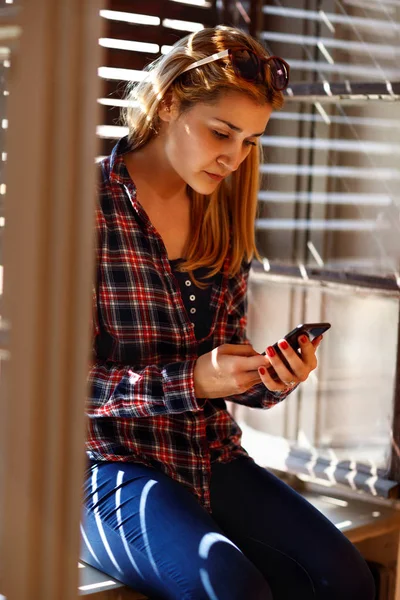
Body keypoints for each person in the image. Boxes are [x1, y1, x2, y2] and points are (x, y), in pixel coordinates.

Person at [81, 25, 375, 600]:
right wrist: (192, 380)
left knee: (347, 580)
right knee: (233, 588)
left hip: (207, 451)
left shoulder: (223, 209)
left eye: (250, 141)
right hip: (102, 467)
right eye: (222, 132)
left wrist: (267, 378)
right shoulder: (82, 202)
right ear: (167, 104)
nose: (234, 159)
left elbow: (223, 370)